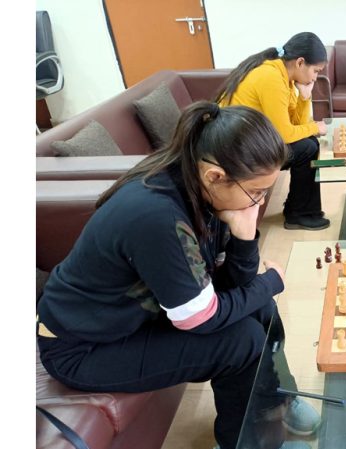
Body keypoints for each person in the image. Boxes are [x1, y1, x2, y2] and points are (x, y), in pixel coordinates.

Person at [36, 102, 320, 449]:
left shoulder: (200, 189)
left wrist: (245, 238)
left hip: (132, 319)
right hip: (83, 347)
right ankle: (245, 443)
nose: (259, 203)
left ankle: (275, 400)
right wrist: (271, 281)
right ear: (215, 175)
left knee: (262, 310)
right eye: (256, 193)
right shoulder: (157, 216)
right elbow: (201, 318)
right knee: (241, 341)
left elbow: (233, 286)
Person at [216, 32, 329, 231]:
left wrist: (304, 98)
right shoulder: (271, 77)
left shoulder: (282, 76)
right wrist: (315, 127)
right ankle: (298, 213)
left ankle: (299, 210)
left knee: (309, 143)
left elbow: (295, 125)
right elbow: (285, 134)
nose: (315, 77)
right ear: (300, 62)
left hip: (248, 142)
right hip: (235, 151)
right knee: (308, 147)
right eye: (316, 71)